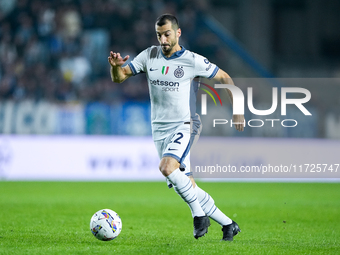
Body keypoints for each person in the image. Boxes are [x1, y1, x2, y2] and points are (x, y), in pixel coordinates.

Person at [108, 13, 245, 241]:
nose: (163, 40)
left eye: (167, 34)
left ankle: (199, 215)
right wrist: (115, 67)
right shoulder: (149, 55)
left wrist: (238, 110)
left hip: (186, 124)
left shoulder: (192, 60)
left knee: (166, 167)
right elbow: (119, 77)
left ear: (178, 33)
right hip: (159, 129)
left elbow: (224, 77)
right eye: (159, 35)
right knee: (186, 183)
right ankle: (228, 224)